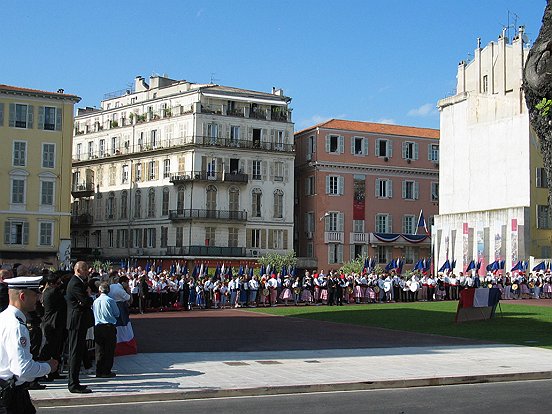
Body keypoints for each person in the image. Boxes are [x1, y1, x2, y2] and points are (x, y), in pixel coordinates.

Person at [0, 276, 58, 414]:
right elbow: (22, 369)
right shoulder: (17, 326)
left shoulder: (3, 317)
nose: (38, 298)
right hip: (11, 395)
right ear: (22, 296)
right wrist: (48, 367)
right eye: (35, 294)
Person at [65, 261, 94, 394]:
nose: (87, 271)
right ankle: (73, 383)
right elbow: (85, 301)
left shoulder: (79, 282)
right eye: (85, 269)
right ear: (78, 270)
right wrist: (88, 296)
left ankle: (75, 381)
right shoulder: (75, 283)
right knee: (75, 352)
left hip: (79, 321)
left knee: (78, 350)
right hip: (76, 321)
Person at [38, 273, 67, 381]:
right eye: (57, 283)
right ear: (51, 284)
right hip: (53, 324)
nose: (59, 285)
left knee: (55, 350)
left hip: (51, 323)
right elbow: (63, 302)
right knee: (49, 349)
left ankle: (53, 372)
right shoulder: (52, 292)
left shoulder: (46, 292)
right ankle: (43, 372)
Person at [92, 282, 119, 378]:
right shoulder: (110, 300)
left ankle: (98, 370)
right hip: (108, 326)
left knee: (99, 350)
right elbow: (116, 313)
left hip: (98, 326)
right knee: (109, 349)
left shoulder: (95, 301)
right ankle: (106, 370)